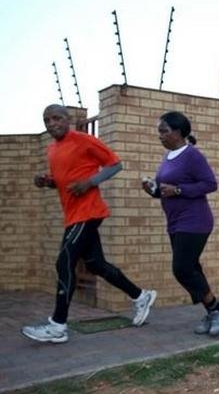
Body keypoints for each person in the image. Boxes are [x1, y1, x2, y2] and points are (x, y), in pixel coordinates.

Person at [22, 105, 157, 344]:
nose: (51, 123)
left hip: (88, 212)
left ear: (68, 119)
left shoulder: (83, 140)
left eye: (56, 118)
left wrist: (89, 182)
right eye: (46, 120)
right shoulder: (52, 149)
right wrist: (47, 181)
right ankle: (140, 295)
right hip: (73, 214)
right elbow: (62, 182)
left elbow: (115, 164)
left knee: (64, 261)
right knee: (96, 265)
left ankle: (57, 325)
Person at [142, 111, 219, 337]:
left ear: (179, 132)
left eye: (164, 131)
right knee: (192, 268)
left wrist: (179, 190)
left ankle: (218, 309)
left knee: (181, 268)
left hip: (195, 221)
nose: (160, 136)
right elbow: (166, 191)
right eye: (158, 132)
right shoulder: (168, 157)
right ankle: (213, 311)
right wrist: (153, 190)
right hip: (175, 222)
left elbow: (210, 184)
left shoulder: (192, 155)